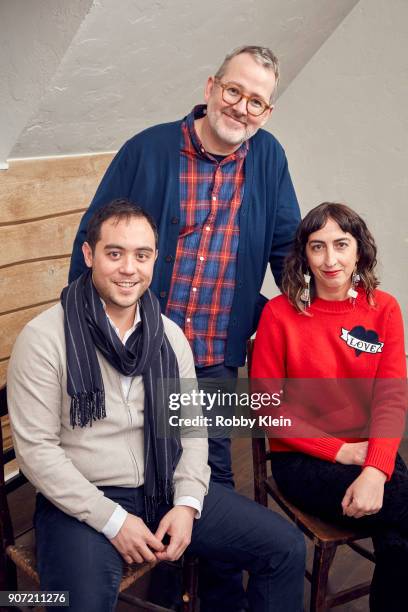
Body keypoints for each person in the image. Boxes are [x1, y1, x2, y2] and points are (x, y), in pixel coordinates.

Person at [68, 44, 300, 606]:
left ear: (267, 113)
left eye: (258, 102)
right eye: (234, 91)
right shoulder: (147, 150)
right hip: (137, 355)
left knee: (210, 482)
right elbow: (94, 244)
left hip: (214, 360)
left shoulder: (268, 158)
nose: (243, 107)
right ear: (211, 87)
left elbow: (287, 250)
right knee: (135, 465)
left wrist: (325, 304)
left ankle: (207, 595)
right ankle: (149, 575)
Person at [8, 200, 305, 612]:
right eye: (115, 253)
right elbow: (36, 453)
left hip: (162, 487)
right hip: (81, 501)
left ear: (153, 261)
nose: (129, 268)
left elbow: (191, 430)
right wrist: (113, 521)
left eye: (141, 255)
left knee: (284, 546)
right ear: (89, 255)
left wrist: (187, 504)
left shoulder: (168, 335)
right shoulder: (43, 339)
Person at [251, 202, 407, 611]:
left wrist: (374, 468)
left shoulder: (384, 308)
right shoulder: (279, 313)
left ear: (359, 250)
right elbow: (266, 407)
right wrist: (341, 451)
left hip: (370, 451)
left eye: (341, 244)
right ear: (303, 254)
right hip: (303, 459)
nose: (330, 259)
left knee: (400, 534)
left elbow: (391, 397)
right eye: (317, 247)